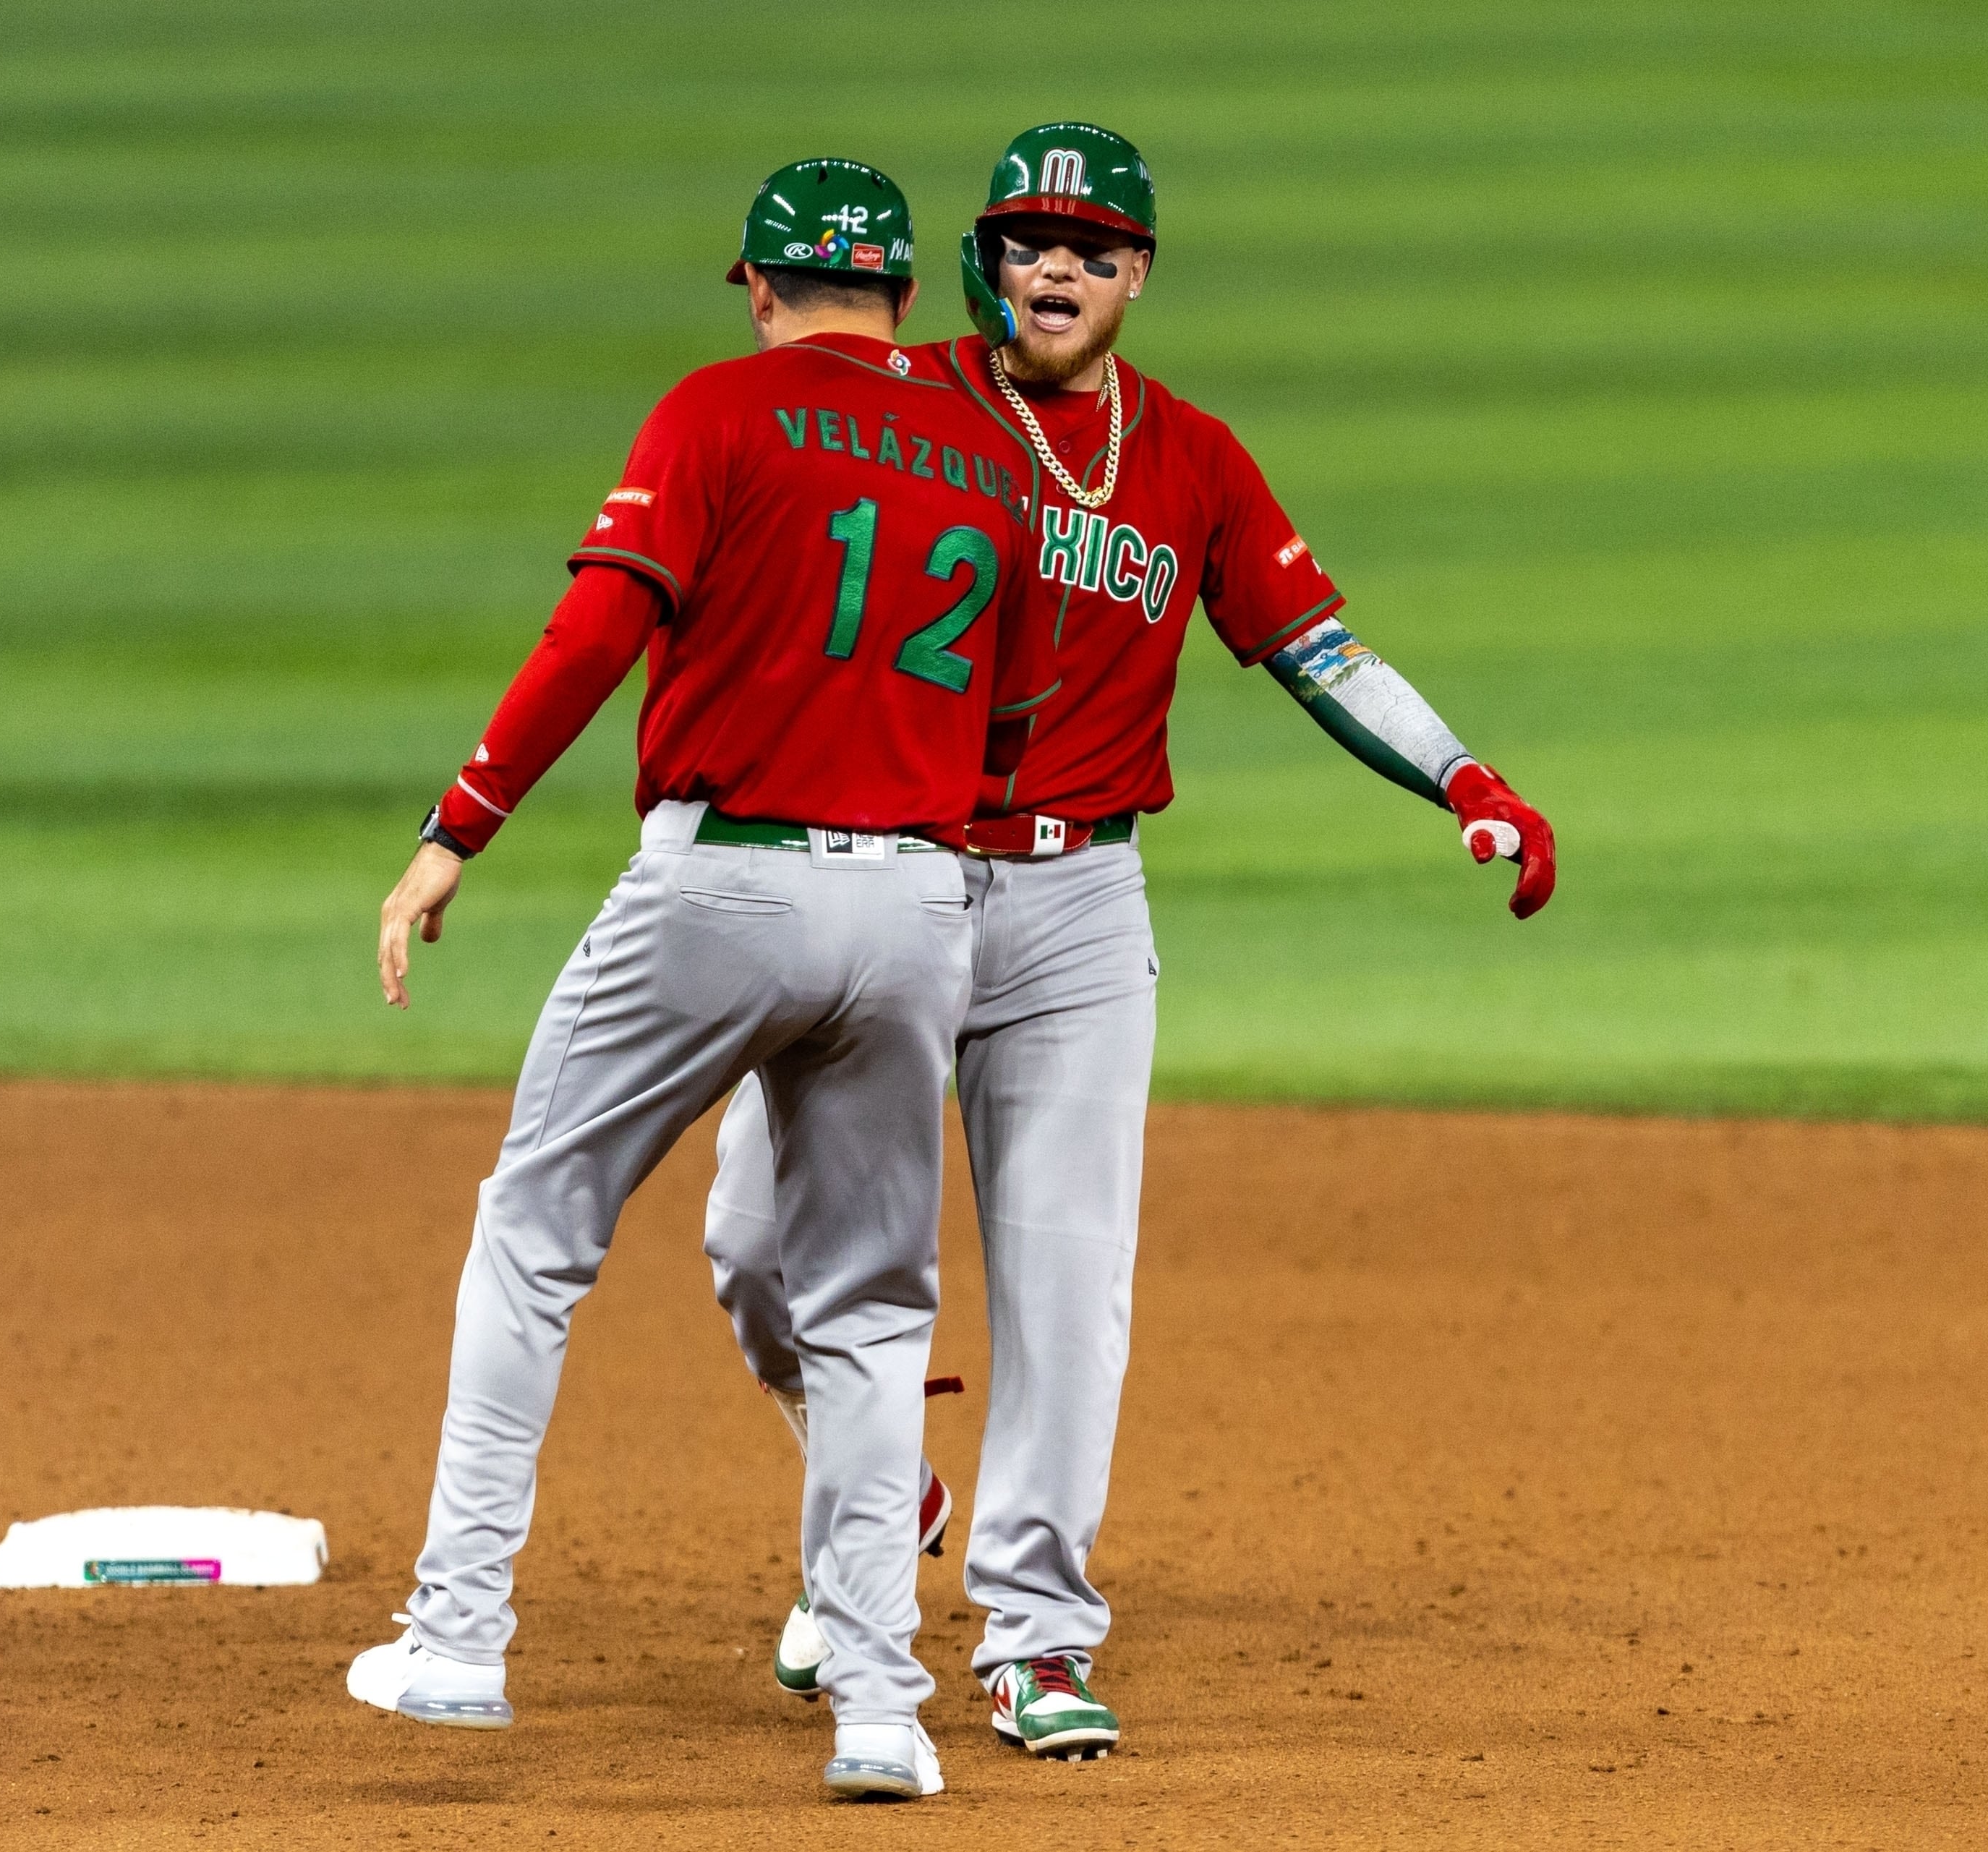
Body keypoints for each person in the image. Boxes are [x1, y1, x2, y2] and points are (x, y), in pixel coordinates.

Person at [704, 121, 1558, 1762]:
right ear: (981, 257)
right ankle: (876, 1478)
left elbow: (1316, 647)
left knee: (1064, 1277)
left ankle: (1032, 1631)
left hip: (1081, 904)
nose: (1058, 271)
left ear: (1137, 274)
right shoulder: (898, 403)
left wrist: (1462, 774)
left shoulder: (1192, 459)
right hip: (889, 874)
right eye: (1030, 241)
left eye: (1093, 249)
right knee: (749, 1238)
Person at [345, 157, 1053, 1803]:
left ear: (758, 285)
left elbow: (596, 632)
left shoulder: (719, 413)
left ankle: (456, 1634)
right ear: (902, 293)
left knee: (534, 1223)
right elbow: (1011, 734)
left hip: (720, 881)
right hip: (915, 903)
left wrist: (456, 831)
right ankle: (882, 1708)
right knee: (873, 1308)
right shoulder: (989, 456)